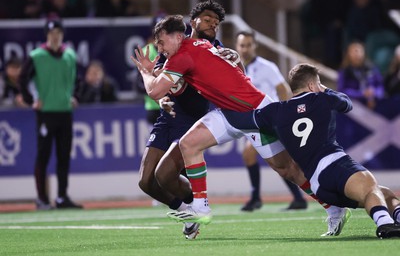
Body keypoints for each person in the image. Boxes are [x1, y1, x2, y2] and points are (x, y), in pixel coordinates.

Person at [132, 15, 351, 237]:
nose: (159, 48)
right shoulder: (197, 45)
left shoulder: (182, 55)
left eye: (161, 42)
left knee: (288, 168)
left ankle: (333, 208)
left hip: (254, 112)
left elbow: (154, 91)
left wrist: (146, 73)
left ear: (178, 37)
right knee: (189, 143)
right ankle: (201, 206)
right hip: (229, 113)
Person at [221, 63, 400, 239]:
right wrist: (325, 89)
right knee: (370, 187)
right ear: (312, 85)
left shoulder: (276, 111)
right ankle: (384, 225)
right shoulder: (323, 99)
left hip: (318, 186)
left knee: (384, 195)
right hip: (335, 166)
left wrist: (220, 100)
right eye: (318, 83)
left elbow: (240, 121)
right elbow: (347, 104)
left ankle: (394, 218)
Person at [135, 0, 225, 239]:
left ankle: (198, 201)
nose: (212, 26)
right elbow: (159, 89)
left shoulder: (214, 48)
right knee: (145, 182)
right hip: (168, 117)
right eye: (207, 20)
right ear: (192, 22)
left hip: (191, 121)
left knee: (164, 176)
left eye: (215, 23)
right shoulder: (176, 49)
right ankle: (189, 211)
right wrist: (160, 99)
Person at [235, 30, 307, 211]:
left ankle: (256, 198)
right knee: (278, 162)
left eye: (248, 45)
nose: (245, 49)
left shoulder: (267, 67)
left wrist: (283, 116)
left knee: (265, 158)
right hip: (253, 121)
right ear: (237, 47)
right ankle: (297, 198)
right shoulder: (236, 69)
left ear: (255, 46)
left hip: (269, 120)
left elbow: (283, 90)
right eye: (242, 45)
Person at [19, 18, 82, 210]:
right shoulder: (37, 56)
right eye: (51, 34)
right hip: (45, 113)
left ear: (62, 35)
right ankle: (42, 198)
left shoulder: (70, 55)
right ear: (47, 36)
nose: (55, 37)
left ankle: (62, 196)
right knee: (43, 155)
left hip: (65, 111)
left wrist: (73, 96)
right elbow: (22, 79)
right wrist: (31, 99)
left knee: (64, 156)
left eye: (58, 34)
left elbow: (75, 79)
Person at [337, 41, 384, 110]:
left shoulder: (371, 68)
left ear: (364, 53)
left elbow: (380, 86)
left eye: (359, 51)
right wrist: (361, 94)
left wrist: (374, 93)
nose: (357, 54)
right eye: (354, 51)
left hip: (374, 103)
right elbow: (341, 90)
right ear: (348, 54)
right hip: (353, 106)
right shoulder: (344, 71)